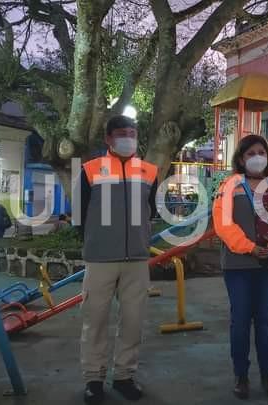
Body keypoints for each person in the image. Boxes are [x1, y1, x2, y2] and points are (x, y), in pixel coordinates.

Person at [212, 134, 268, 400]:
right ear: (240, 158)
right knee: (240, 320)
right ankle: (241, 375)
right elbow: (223, 223)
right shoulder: (229, 185)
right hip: (239, 264)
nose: (257, 157)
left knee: (264, 320)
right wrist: (249, 247)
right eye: (251, 153)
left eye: (261, 152)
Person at [78, 115, 158, 404]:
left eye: (133, 133)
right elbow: (80, 215)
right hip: (100, 260)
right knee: (95, 321)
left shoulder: (149, 171)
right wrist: (95, 242)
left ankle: (124, 375)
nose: (128, 138)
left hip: (136, 259)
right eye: (122, 133)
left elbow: (150, 212)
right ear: (108, 139)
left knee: (133, 321)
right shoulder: (89, 170)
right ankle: (93, 379)